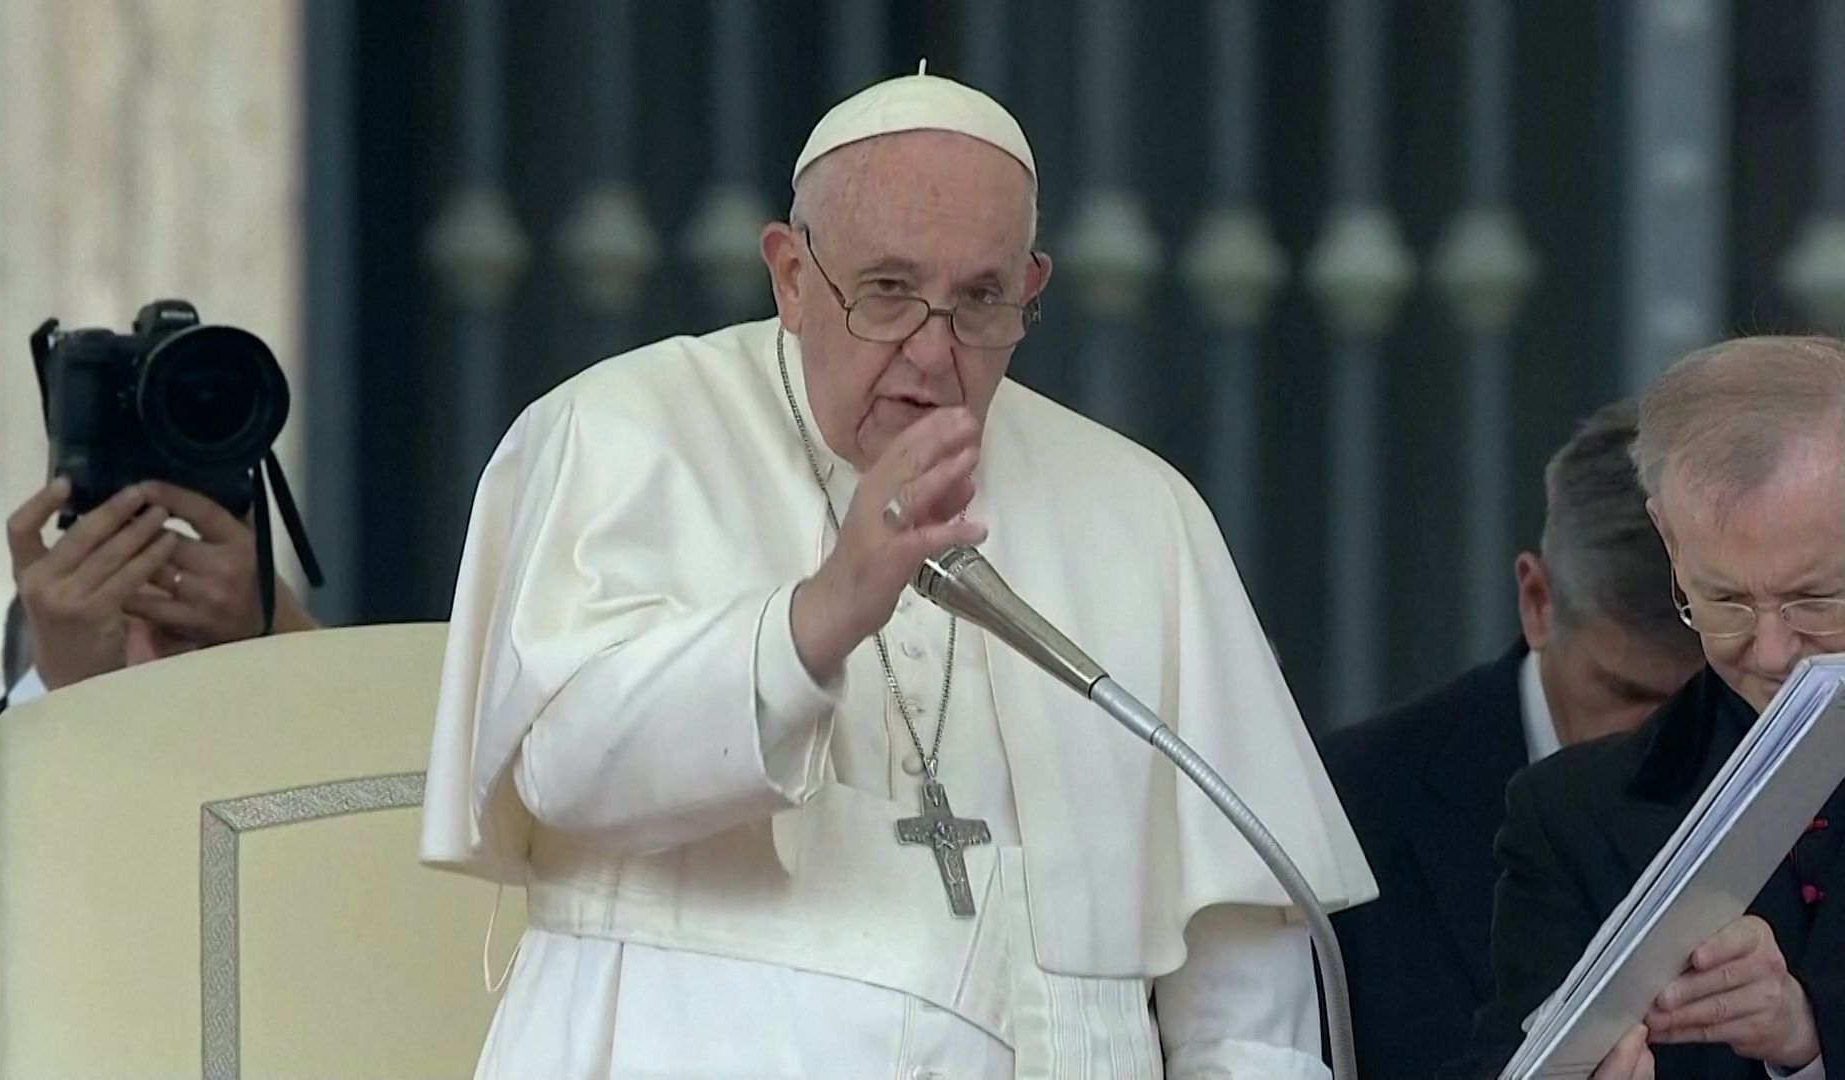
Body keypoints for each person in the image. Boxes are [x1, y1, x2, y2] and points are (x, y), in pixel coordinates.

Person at [421, 68, 1375, 1077]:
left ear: (1032, 289)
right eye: (887, 292)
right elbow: (564, 764)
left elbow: (1244, 990)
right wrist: (813, 624)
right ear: (790, 275)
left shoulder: (1143, 513)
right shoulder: (620, 433)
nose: (933, 351)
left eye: (979, 302)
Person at [1464, 336, 1845, 1079]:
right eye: (1725, 601)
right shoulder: (1571, 814)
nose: (1769, 651)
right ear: (1670, 542)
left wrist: (1811, 1036)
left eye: (1813, 599)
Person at [1319, 399, 1702, 1077]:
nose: (1666, 740)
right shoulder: (1348, 808)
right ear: (1537, 602)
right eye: (1626, 693)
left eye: (1698, 700)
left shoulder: (1792, 779)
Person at [0, 477, 318, 1079]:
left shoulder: (294, 895)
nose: (138, 673)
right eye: (106, 645)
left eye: (175, 642)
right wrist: (52, 704)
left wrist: (285, 644)